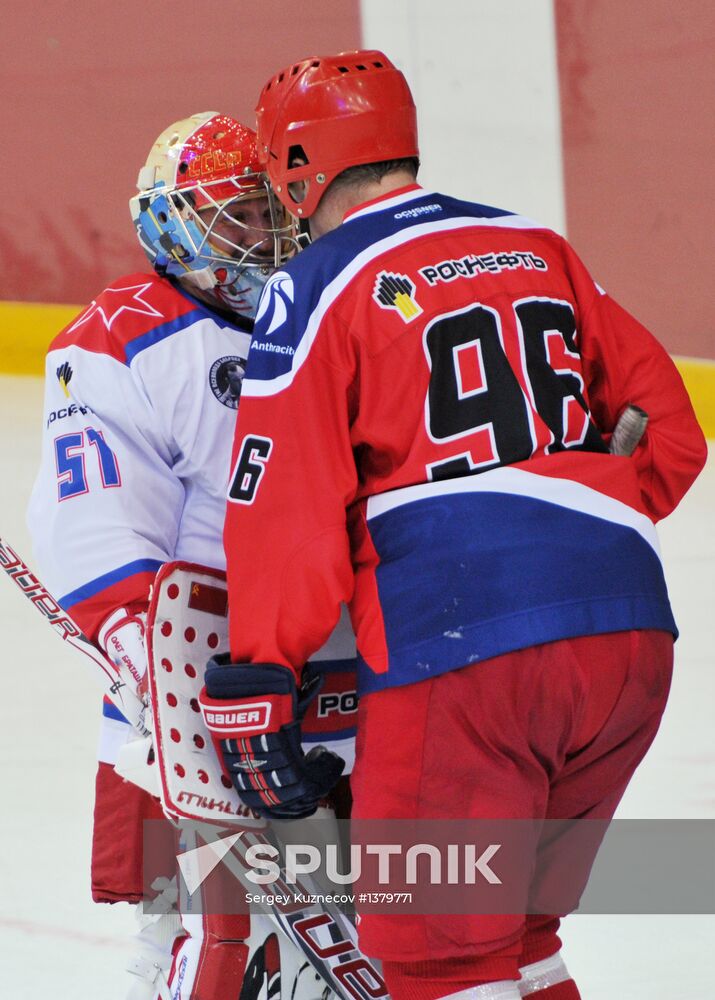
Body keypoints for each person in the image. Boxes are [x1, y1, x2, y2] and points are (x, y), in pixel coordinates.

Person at [199, 51, 709, 1000]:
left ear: (302, 165)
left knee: (439, 956)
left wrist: (261, 677)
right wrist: (564, 526)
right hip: (630, 637)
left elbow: (287, 506)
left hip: (465, 655)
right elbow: (669, 431)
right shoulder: (533, 244)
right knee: (520, 931)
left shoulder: (313, 283)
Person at [27, 111, 356, 1000]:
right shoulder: (121, 332)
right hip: (197, 682)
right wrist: (142, 655)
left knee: (351, 931)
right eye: (235, 217)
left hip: (337, 672)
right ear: (171, 222)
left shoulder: (322, 314)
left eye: (272, 215)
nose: (263, 238)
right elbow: (92, 513)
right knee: (198, 932)